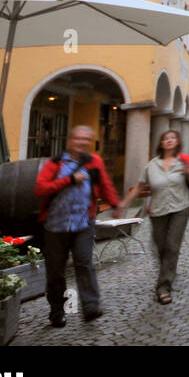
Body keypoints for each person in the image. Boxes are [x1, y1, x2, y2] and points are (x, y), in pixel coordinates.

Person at [33, 125, 122, 327]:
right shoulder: (55, 164)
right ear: (70, 141)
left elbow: (105, 184)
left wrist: (115, 204)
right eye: (78, 139)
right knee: (56, 271)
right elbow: (40, 189)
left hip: (83, 222)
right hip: (56, 226)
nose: (82, 143)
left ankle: (91, 306)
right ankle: (57, 311)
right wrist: (69, 180)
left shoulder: (94, 162)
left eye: (86, 140)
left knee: (84, 263)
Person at [121, 130, 189, 305]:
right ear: (161, 143)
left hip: (181, 207)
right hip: (158, 210)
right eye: (166, 138)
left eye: (173, 138)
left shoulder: (184, 162)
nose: (169, 140)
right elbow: (140, 187)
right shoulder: (152, 165)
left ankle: (163, 287)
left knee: (172, 246)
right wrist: (124, 203)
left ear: (177, 142)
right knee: (161, 247)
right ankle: (169, 270)